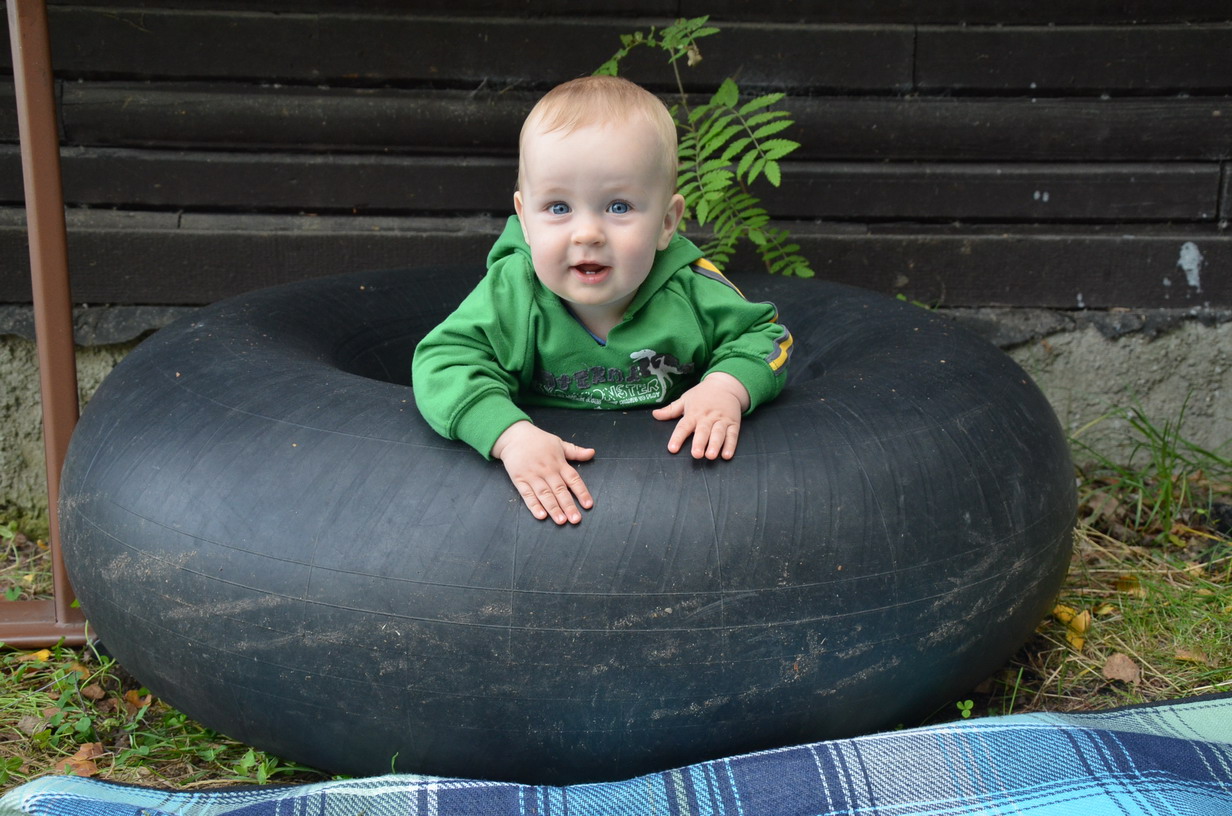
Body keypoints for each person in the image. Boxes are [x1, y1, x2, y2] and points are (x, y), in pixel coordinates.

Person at [412, 76, 792, 525]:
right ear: (525, 219)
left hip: (674, 499)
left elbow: (765, 337)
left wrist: (724, 388)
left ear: (667, 222)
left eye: (618, 207)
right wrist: (510, 436)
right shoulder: (513, 291)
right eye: (558, 208)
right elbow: (442, 362)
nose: (587, 233)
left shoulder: (691, 288)